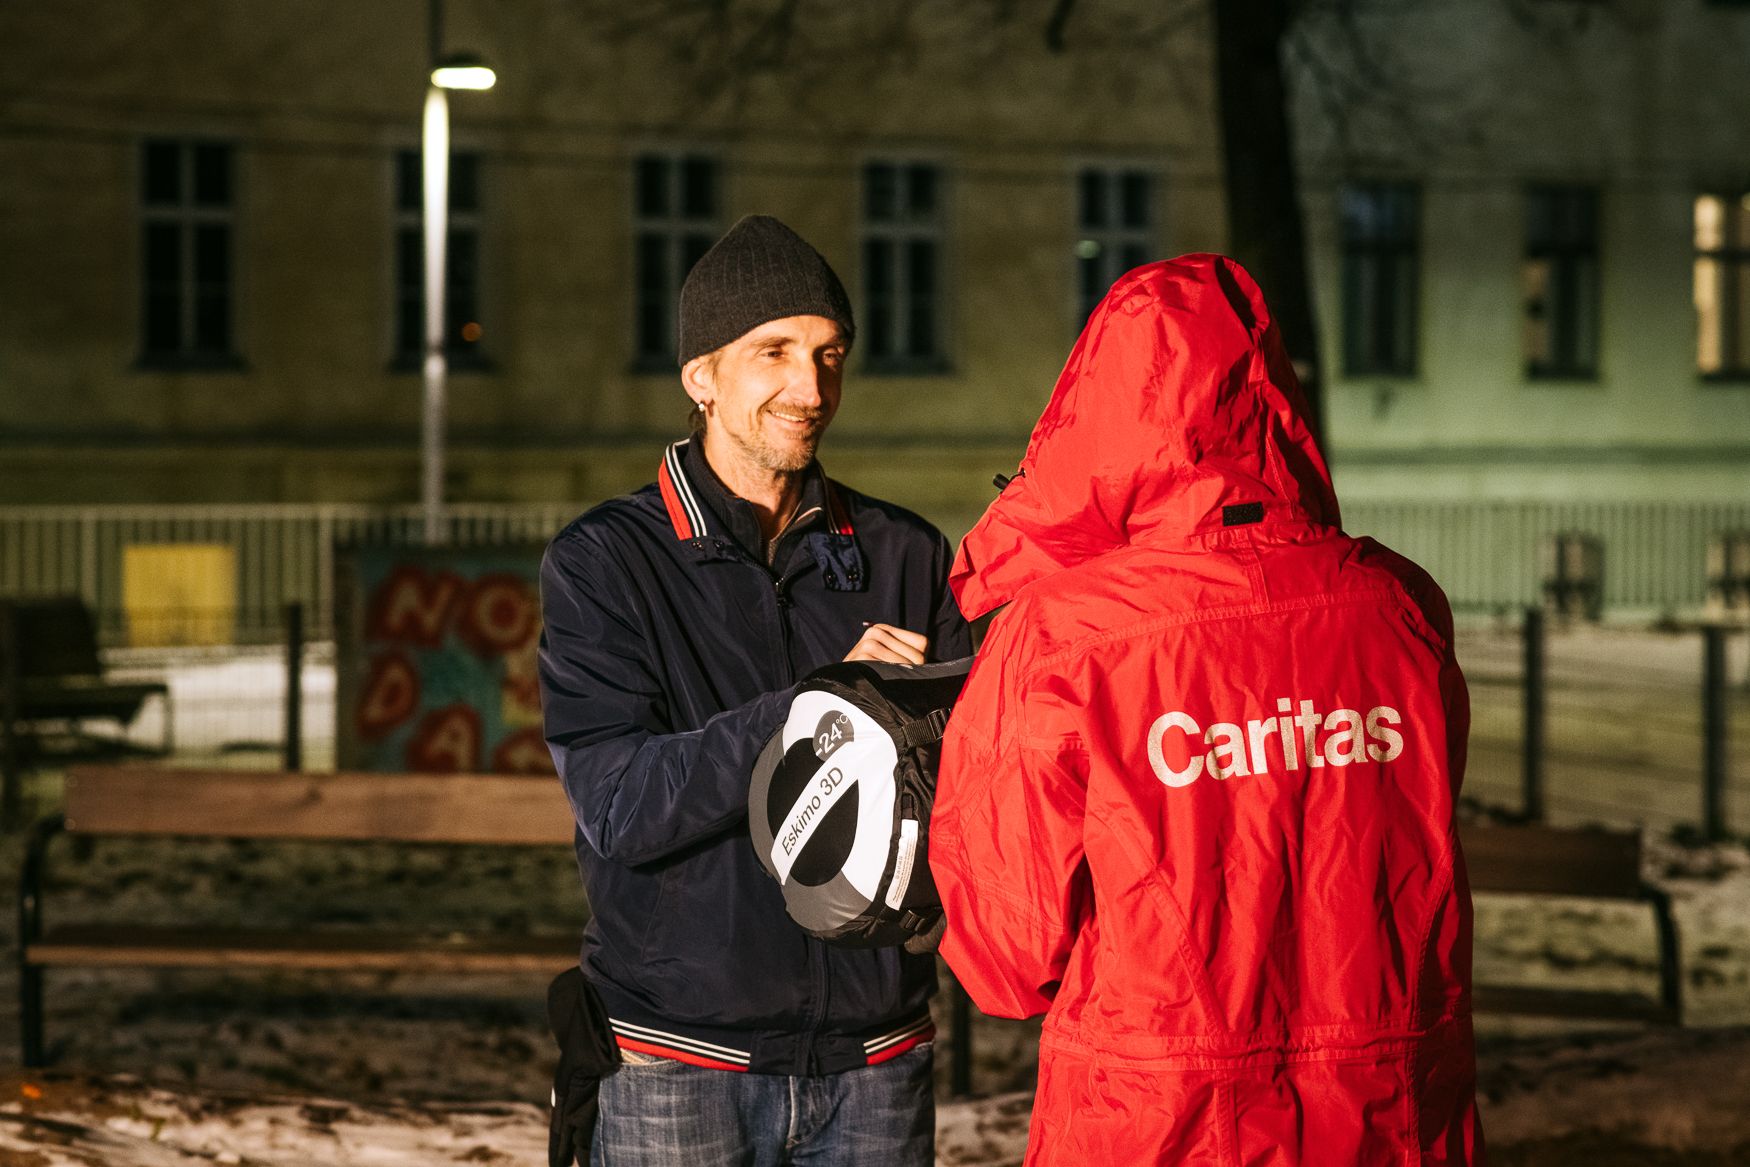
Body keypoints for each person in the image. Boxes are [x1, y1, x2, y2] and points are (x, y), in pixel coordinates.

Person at [930, 254, 1482, 1165]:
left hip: (1157, 1129)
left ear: (1098, 412)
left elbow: (1003, 955)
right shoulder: (1400, 609)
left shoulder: (1065, 636)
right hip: (1386, 1121)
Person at [538, 214, 970, 1166]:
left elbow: (971, 784)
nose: (810, 388)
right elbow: (621, 805)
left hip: (877, 1059)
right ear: (702, 376)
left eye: (829, 353)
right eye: (772, 351)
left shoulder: (905, 552)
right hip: (678, 1063)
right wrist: (826, 706)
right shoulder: (606, 562)